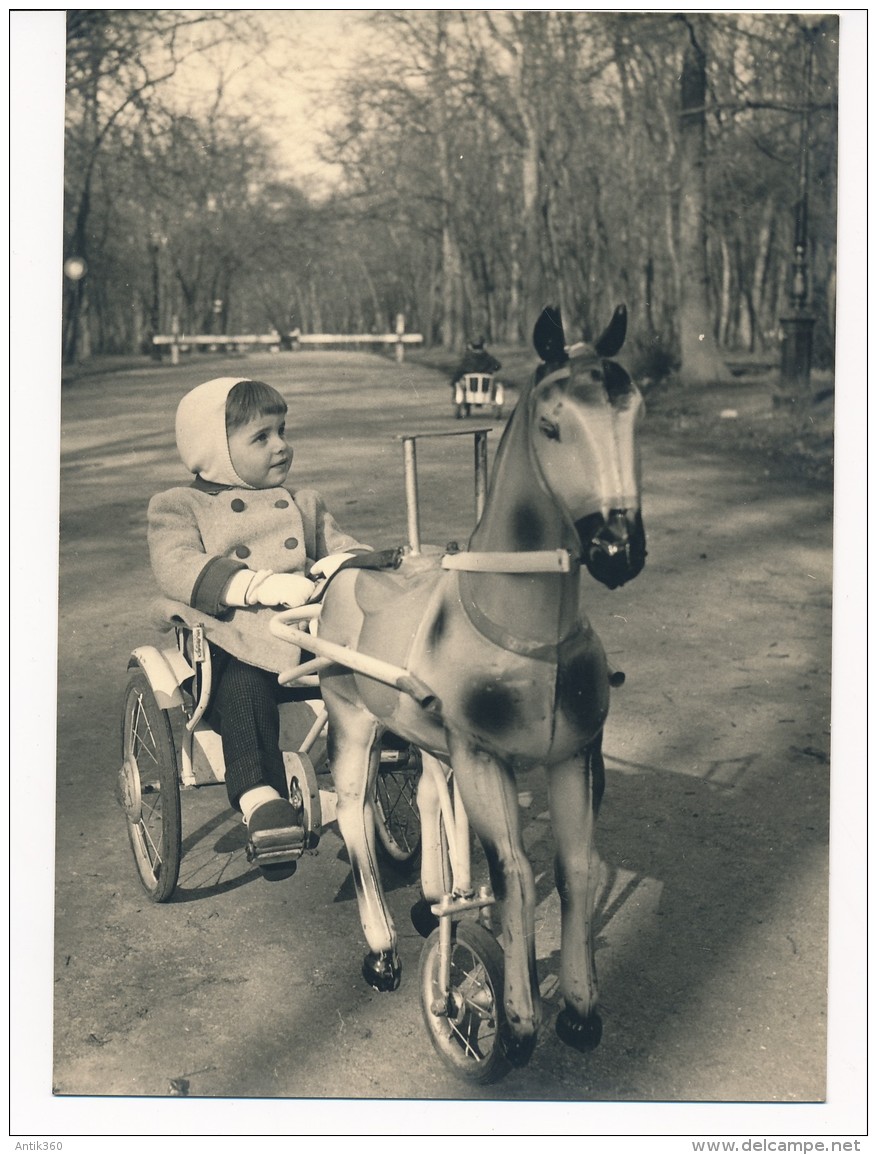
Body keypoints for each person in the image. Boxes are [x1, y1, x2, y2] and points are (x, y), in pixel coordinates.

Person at [147, 376, 371, 880]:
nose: (282, 445)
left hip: (306, 635)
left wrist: (348, 563)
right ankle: (260, 801)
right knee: (245, 684)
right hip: (230, 636)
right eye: (262, 437)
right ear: (217, 451)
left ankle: (385, 781)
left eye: (282, 431)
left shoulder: (304, 501)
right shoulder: (180, 506)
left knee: (369, 667)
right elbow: (176, 564)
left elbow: (341, 545)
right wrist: (255, 585)